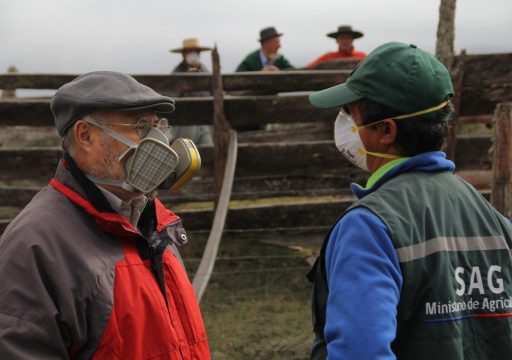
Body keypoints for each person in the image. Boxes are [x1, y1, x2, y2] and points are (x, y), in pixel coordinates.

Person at [307, 42, 512, 359]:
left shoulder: (368, 227)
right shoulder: (491, 217)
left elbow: (361, 352)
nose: (343, 121)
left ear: (385, 131)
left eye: (351, 112)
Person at [0, 71, 211, 358]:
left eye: (156, 126)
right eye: (139, 127)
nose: (158, 141)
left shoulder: (155, 222)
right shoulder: (35, 246)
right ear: (85, 136)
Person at [169, 38, 213, 145]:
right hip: (184, 121)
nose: (193, 55)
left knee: (208, 144)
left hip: (204, 120)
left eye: (196, 52)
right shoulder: (177, 72)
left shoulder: (204, 70)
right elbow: (171, 96)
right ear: (183, 54)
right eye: (190, 52)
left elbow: (211, 91)